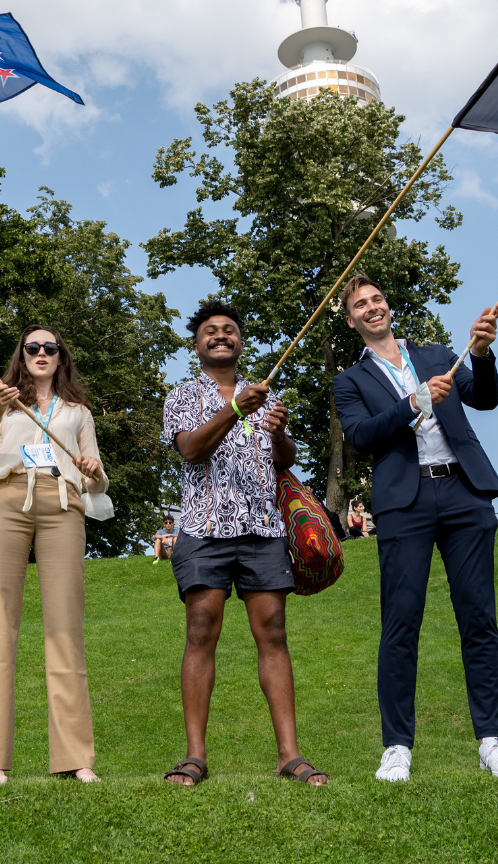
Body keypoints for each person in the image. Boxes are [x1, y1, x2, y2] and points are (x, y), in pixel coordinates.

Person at [332, 274, 498, 782]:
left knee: (479, 619)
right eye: (360, 305)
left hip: (464, 492)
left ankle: (491, 740)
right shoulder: (350, 381)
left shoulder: (440, 354)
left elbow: (485, 399)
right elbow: (361, 433)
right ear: (351, 320)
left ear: (388, 307)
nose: (372, 308)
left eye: (377, 299)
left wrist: (480, 354)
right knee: (401, 624)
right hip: (404, 502)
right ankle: (397, 746)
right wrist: (415, 402)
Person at [160, 300, 328, 787]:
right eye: (210, 331)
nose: (220, 336)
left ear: (239, 342)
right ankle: (195, 755)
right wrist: (236, 410)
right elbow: (190, 450)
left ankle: (289, 756)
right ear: (197, 345)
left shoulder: (265, 395)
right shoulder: (182, 396)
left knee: (273, 632)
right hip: (204, 529)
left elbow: (285, 459)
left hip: (263, 529)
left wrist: (278, 433)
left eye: (229, 330)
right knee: (200, 631)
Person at [0, 325, 114, 786]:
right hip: (6, 502)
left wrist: (93, 472)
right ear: (22, 356)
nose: (42, 353)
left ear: (61, 357)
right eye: (33, 348)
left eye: (50, 348)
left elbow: (97, 483)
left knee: (65, 626)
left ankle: (74, 757)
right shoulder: (5, 403)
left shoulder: (78, 412)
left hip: (62, 504)